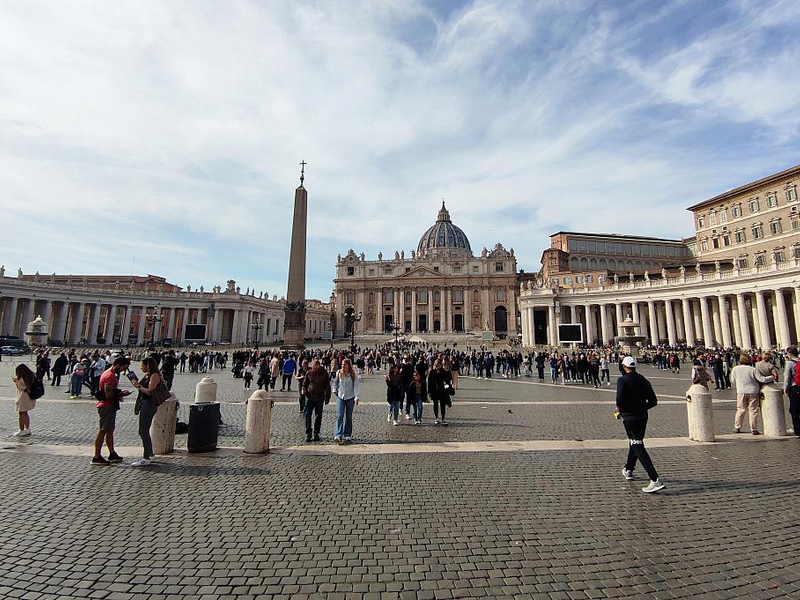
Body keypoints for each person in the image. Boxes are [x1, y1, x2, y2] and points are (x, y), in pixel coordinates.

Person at [616, 356, 664, 493]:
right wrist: (642, 408)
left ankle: (655, 479)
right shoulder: (644, 380)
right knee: (636, 442)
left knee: (638, 445)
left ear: (624, 367)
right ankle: (628, 469)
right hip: (643, 417)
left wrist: (623, 409)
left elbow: (619, 400)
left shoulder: (622, 380)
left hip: (630, 418)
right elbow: (653, 401)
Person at [92, 356, 131, 466]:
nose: (123, 370)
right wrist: (121, 393)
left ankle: (112, 453)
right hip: (106, 406)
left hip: (109, 405)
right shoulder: (109, 376)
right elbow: (108, 393)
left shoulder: (109, 373)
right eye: (123, 368)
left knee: (109, 430)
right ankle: (96, 456)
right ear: (118, 365)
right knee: (103, 430)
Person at [128, 357, 162, 467]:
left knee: (143, 430)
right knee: (143, 430)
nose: (141, 367)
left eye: (142, 365)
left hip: (149, 404)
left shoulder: (154, 375)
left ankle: (146, 457)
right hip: (145, 404)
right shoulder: (149, 375)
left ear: (148, 365)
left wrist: (137, 385)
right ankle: (150, 453)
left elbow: (150, 391)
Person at [730, 354, 773, 435]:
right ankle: (753, 429)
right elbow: (762, 379)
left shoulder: (735, 369)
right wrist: (771, 377)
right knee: (753, 410)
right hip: (753, 391)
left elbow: (732, 381)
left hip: (741, 391)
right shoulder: (753, 369)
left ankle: (737, 427)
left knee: (740, 410)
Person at [301, 359, 331, 442]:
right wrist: (303, 389)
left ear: (318, 366)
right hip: (310, 397)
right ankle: (308, 433)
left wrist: (327, 397)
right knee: (307, 415)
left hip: (319, 398)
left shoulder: (324, 373)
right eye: (313, 367)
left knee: (318, 417)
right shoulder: (309, 373)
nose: (313, 369)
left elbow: (327, 386)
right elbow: (304, 383)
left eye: (315, 367)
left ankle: (316, 433)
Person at [332, 358, 360, 444]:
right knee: (339, 416)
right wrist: (334, 389)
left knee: (349, 417)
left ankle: (347, 434)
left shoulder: (353, 374)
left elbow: (356, 386)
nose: (343, 366)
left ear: (348, 365)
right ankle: (338, 434)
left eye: (344, 364)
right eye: (342, 365)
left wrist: (356, 397)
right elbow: (335, 382)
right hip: (340, 396)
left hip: (350, 397)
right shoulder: (339, 373)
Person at [11, 364, 37, 437]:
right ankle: (27, 428)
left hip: (23, 397)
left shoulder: (22, 378)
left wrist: (16, 381)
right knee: (25, 413)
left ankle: (22, 430)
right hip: (29, 396)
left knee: (21, 413)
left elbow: (21, 387)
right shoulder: (32, 375)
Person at [428, 359, 453, 425]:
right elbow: (430, 382)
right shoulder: (432, 372)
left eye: (439, 366)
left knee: (443, 405)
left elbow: (447, 380)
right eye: (437, 366)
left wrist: (446, 383)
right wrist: (429, 392)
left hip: (442, 390)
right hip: (434, 391)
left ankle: (443, 418)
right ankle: (437, 418)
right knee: (435, 405)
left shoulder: (443, 371)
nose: (438, 367)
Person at [783, 346, 800, 439]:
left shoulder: (789, 363)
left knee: (794, 410)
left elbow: (787, 377)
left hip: (794, 387)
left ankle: (797, 430)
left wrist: (785, 388)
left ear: (790, 354)